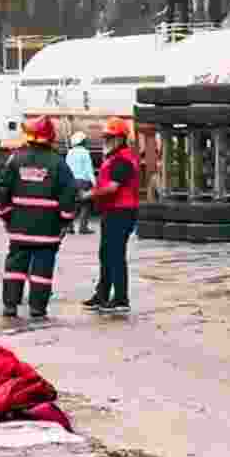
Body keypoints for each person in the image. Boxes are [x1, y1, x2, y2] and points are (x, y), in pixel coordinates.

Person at [0, 116, 77, 319]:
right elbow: (69, 194)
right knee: (42, 268)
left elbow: (1, 189)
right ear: (50, 138)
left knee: (15, 267)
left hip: (19, 227)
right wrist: (65, 220)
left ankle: (10, 306)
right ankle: (37, 308)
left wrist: (6, 216)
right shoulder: (58, 163)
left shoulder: (15, 159)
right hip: (47, 230)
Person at [82, 117, 139, 314]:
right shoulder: (114, 158)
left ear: (121, 139)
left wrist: (90, 194)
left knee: (114, 255)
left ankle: (121, 298)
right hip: (112, 211)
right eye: (106, 137)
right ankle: (102, 294)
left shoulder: (123, 160)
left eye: (110, 137)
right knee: (106, 254)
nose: (106, 141)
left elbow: (113, 187)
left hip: (121, 212)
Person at [65, 132, 96, 234]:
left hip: (71, 181)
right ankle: (83, 227)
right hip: (83, 182)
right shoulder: (85, 152)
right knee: (85, 205)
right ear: (82, 141)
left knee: (72, 205)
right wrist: (95, 183)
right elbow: (89, 170)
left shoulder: (69, 152)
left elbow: (66, 169)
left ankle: (69, 227)